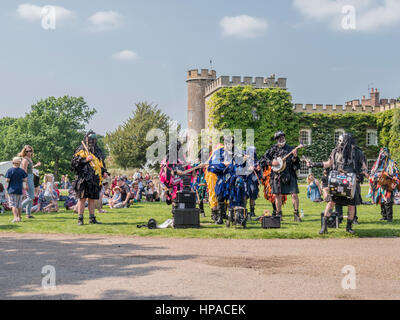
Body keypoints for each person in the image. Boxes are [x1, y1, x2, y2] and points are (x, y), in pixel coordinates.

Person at [307, 133, 368, 234]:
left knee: (351, 205)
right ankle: (324, 227)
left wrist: (362, 174)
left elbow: (364, 167)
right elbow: (328, 163)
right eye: (340, 141)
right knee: (330, 203)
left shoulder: (357, 152)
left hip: (351, 183)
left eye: (343, 142)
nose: (341, 144)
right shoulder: (335, 151)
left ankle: (349, 227)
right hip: (337, 182)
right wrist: (314, 164)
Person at [260, 131, 301, 222]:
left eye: (282, 137)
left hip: (289, 174)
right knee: (277, 195)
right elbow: (263, 160)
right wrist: (271, 162)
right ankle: (279, 215)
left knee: (294, 194)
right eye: (279, 138)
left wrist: (295, 157)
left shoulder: (291, 149)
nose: (281, 139)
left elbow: (296, 164)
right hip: (277, 175)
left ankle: (296, 214)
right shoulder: (272, 150)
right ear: (276, 140)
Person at [71, 131, 109, 225]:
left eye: (94, 139)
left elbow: (101, 164)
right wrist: (85, 160)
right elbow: (74, 164)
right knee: (82, 198)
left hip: (94, 178)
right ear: (87, 139)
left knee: (92, 199)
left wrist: (104, 172)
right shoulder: (81, 149)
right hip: (83, 178)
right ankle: (80, 219)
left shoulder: (97, 151)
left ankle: (92, 219)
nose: (93, 141)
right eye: (91, 139)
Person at [368, 148, 399, 222]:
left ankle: (389, 217)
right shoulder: (377, 164)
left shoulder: (392, 163)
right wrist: (377, 175)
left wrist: (389, 176)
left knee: (388, 201)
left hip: (388, 184)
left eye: (384, 153)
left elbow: (396, 173)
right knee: (381, 201)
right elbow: (372, 173)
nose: (383, 155)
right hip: (380, 184)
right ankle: (384, 216)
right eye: (382, 153)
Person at [19, 145, 41, 219]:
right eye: (27, 151)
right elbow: (24, 172)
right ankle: (19, 208)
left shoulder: (29, 159)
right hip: (27, 177)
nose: (29, 152)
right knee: (31, 197)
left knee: (31, 196)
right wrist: (25, 183)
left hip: (31, 177)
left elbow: (30, 168)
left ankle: (28, 214)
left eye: (30, 151)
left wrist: (35, 166)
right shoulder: (25, 160)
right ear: (24, 152)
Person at [5, 157, 28, 222]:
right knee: (19, 204)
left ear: (13, 162)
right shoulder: (21, 171)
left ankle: (15, 218)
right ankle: (19, 218)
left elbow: (7, 180)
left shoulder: (10, 170)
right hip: (19, 189)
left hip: (12, 189)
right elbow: (25, 179)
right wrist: (20, 179)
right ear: (19, 163)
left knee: (13, 204)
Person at [244, 146, 262, 217]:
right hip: (246, 179)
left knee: (253, 194)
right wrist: (248, 169)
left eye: (254, 151)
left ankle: (252, 211)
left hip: (253, 180)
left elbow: (259, 170)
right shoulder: (244, 158)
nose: (253, 153)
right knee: (245, 195)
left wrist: (257, 168)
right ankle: (244, 211)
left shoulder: (256, 160)